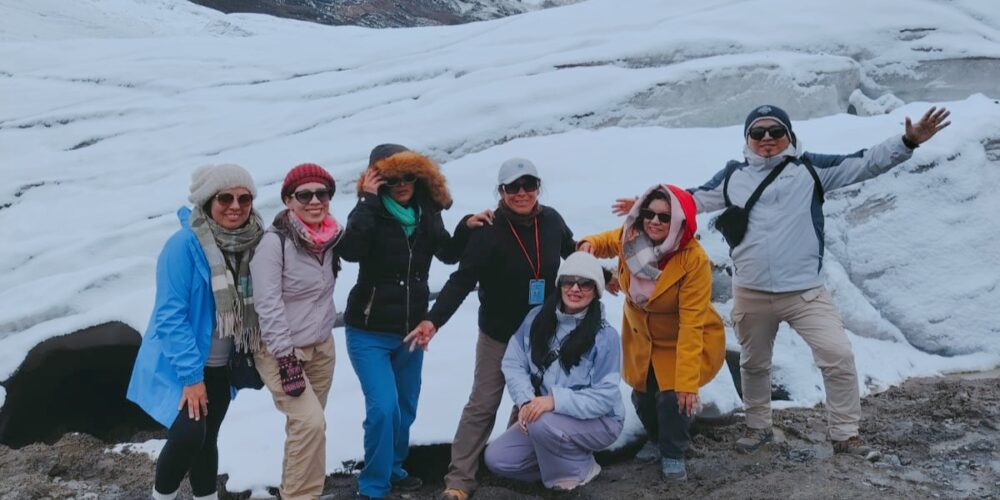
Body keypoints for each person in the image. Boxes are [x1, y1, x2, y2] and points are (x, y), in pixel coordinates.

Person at [612, 105, 951, 455]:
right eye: (758, 133)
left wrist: (908, 141)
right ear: (748, 139)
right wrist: (642, 205)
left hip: (805, 292)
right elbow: (689, 201)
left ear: (789, 135)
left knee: (837, 355)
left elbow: (864, 163)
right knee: (754, 363)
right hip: (752, 291)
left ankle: (845, 433)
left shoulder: (811, 169)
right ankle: (758, 427)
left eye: (775, 131)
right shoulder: (734, 177)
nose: (767, 139)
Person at [405, 158, 577, 500]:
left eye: (529, 185)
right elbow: (461, 280)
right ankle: (459, 480)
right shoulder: (488, 231)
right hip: (498, 334)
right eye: (513, 187)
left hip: (541, 334)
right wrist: (433, 320)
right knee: (483, 403)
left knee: (530, 400)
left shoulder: (553, 220)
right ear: (501, 192)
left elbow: (573, 257)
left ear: (538, 187)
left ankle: (516, 465)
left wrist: (605, 275)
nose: (522, 193)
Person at [337, 144, 487, 500]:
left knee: (405, 407)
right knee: (382, 408)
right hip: (368, 330)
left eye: (408, 176)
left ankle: (393, 467)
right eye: (393, 177)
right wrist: (368, 201)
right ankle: (373, 485)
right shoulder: (370, 212)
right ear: (378, 179)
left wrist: (466, 227)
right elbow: (350, 251)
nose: (402, 183)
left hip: (410, 330)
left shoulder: (426, 210)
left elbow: (448, 253)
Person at [127, 164, 264, 500]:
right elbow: (170, 316)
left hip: (220, 367)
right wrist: (191, 377)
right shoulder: (184, 246)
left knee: (208, 438)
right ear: (207, 202)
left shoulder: (253, 242)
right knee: (189, 434)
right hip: (182, 365)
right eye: (225, 198)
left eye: (244, 198)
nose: (236, 205)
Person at [579, 185, 725, 481]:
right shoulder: (630, 238)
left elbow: (692, 321)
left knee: (674, 398)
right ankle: (656, 438)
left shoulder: (693, 259)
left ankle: (673, 451)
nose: (655, 222)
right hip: (641, 335)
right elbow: (603, 241)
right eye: (649, 213)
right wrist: (587, 245)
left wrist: (687, 382)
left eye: (664, 216)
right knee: (643, 396)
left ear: (679, 222)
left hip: (678, 337)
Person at [483, 251, 624, 491]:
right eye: (569, 281)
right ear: (560, 285)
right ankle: (567, 460)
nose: (575, 289)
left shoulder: (605, 336)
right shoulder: (536, 318)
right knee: (497, 458)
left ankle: (574, 474)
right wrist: (527, 401)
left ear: (597, 289)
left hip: (601, 421)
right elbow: (513, 362)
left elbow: (604, 397)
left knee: (541, 423)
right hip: (549, 419)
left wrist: (553, 401)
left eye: (585, 283)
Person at [250, 163, 343, 500]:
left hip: (321, 347)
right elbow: (268, 303)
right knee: (310, 424)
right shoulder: (274, 244)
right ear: (289, 200)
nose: (314, 200)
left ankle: (301, 494)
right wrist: (286, 357)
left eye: (322, 193)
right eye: (305, 194)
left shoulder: (330, 237)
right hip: (281, 351)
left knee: (307, 429)